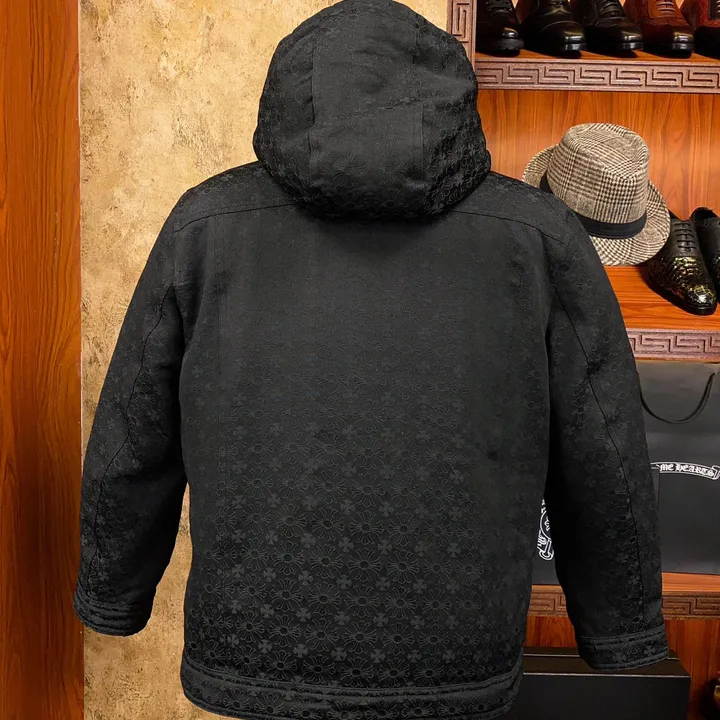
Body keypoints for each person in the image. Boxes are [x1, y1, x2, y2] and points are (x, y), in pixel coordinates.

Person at [73, 0, 668, 718]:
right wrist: (619, 626)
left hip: (255, 637)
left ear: (289, 95)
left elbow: (134, 432)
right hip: (458, 643)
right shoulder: (537, 234)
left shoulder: (207, 224)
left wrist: (114, 592)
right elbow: (604, 446)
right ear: (450, 98)